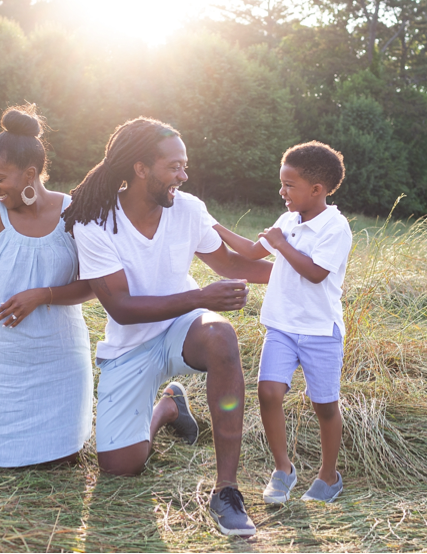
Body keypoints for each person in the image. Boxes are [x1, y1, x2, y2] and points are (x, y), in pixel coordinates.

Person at [63, 117, 272, 537]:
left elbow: (230, 264)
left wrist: (310, 278)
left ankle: (226, 491)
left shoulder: (188, 209)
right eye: (174, 166)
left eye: (185, 165)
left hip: (184, 328)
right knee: (121, 466)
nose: (184, 175)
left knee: (221, 335)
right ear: (140, 168)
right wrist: (200, 297)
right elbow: (121, 308)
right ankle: (169, 407)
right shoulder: (94, 221)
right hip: (130, 343)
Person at [0, 105, 94, 468]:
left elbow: (94, 287)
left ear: (30, 174)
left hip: (59, 357)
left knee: (60, 463)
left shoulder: (74, 212)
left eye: (0, 178)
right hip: (2, 356)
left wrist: (44, 295)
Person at [215, 141, 352, 504]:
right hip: (282, 325)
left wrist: (282, 244)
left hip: (321, 331)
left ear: (316, 190)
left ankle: (328, 476)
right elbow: (250, 250)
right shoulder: (287, 221)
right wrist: (211, 226)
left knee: (324, 405)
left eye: (289, 185)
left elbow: (316, 273)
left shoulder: (335, 228)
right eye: (282, 183)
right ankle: (283, 468)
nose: (282, 192)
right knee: (268, 391)